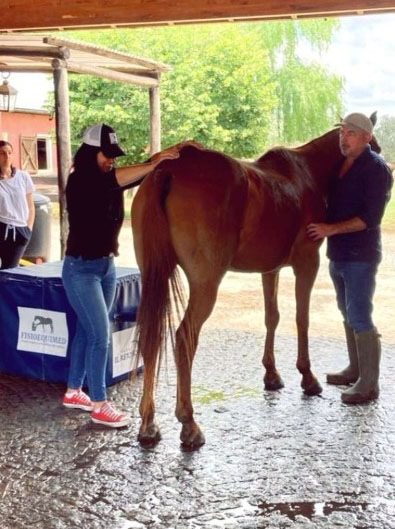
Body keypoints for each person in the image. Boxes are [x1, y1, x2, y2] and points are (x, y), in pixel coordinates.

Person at [62, 123, 187, 427]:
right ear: (91, 151)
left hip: (106, 266)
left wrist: (161, 158)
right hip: (80, 270)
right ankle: (100, 404)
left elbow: (135, 174)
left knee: (85, 330)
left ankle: (73, 391)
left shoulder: (108, 178)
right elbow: (120, 178)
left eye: (115, 156)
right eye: (107, 154)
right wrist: (156, 161)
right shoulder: (80, 181)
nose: (112, 160)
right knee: (100, 336)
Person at [307, 112, 393, 404]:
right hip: (339, 254)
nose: (344, 138)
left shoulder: (376, 169)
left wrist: (330, 228)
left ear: (367, 138)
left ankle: (369, 384)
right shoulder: (341, 165)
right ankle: (355, 369)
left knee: (359, 315)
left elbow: (370, 218)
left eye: (351, 133)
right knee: (346, 313)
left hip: (361, 256)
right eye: (342, 132)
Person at [0, 140, 35, 269]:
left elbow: (31, 206)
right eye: (2, 153)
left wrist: (28, 229)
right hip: (2, 225)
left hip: (20, 229)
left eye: (9, 153)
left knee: (10, 270)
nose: (6, 156)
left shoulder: (23, 176)